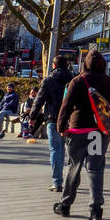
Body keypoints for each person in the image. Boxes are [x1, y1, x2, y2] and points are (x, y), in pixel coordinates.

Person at [54, 50, 110, 220]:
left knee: (74, 167)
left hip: (78, 131)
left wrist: (61, 126)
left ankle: (65, 204)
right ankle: (95, 209)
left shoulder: (77, 81)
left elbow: (66, 105)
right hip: (98, 132)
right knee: (95, 169)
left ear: (85, 63)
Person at [33, 56, 73, 192]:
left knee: (55, 149)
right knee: (66, 149)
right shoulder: (73, 80)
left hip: (53, 118)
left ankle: (57, 182)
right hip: (69, 120)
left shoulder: (49, 80)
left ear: (54, 66)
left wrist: (33, 116)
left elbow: (39, 99)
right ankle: (68, 181)